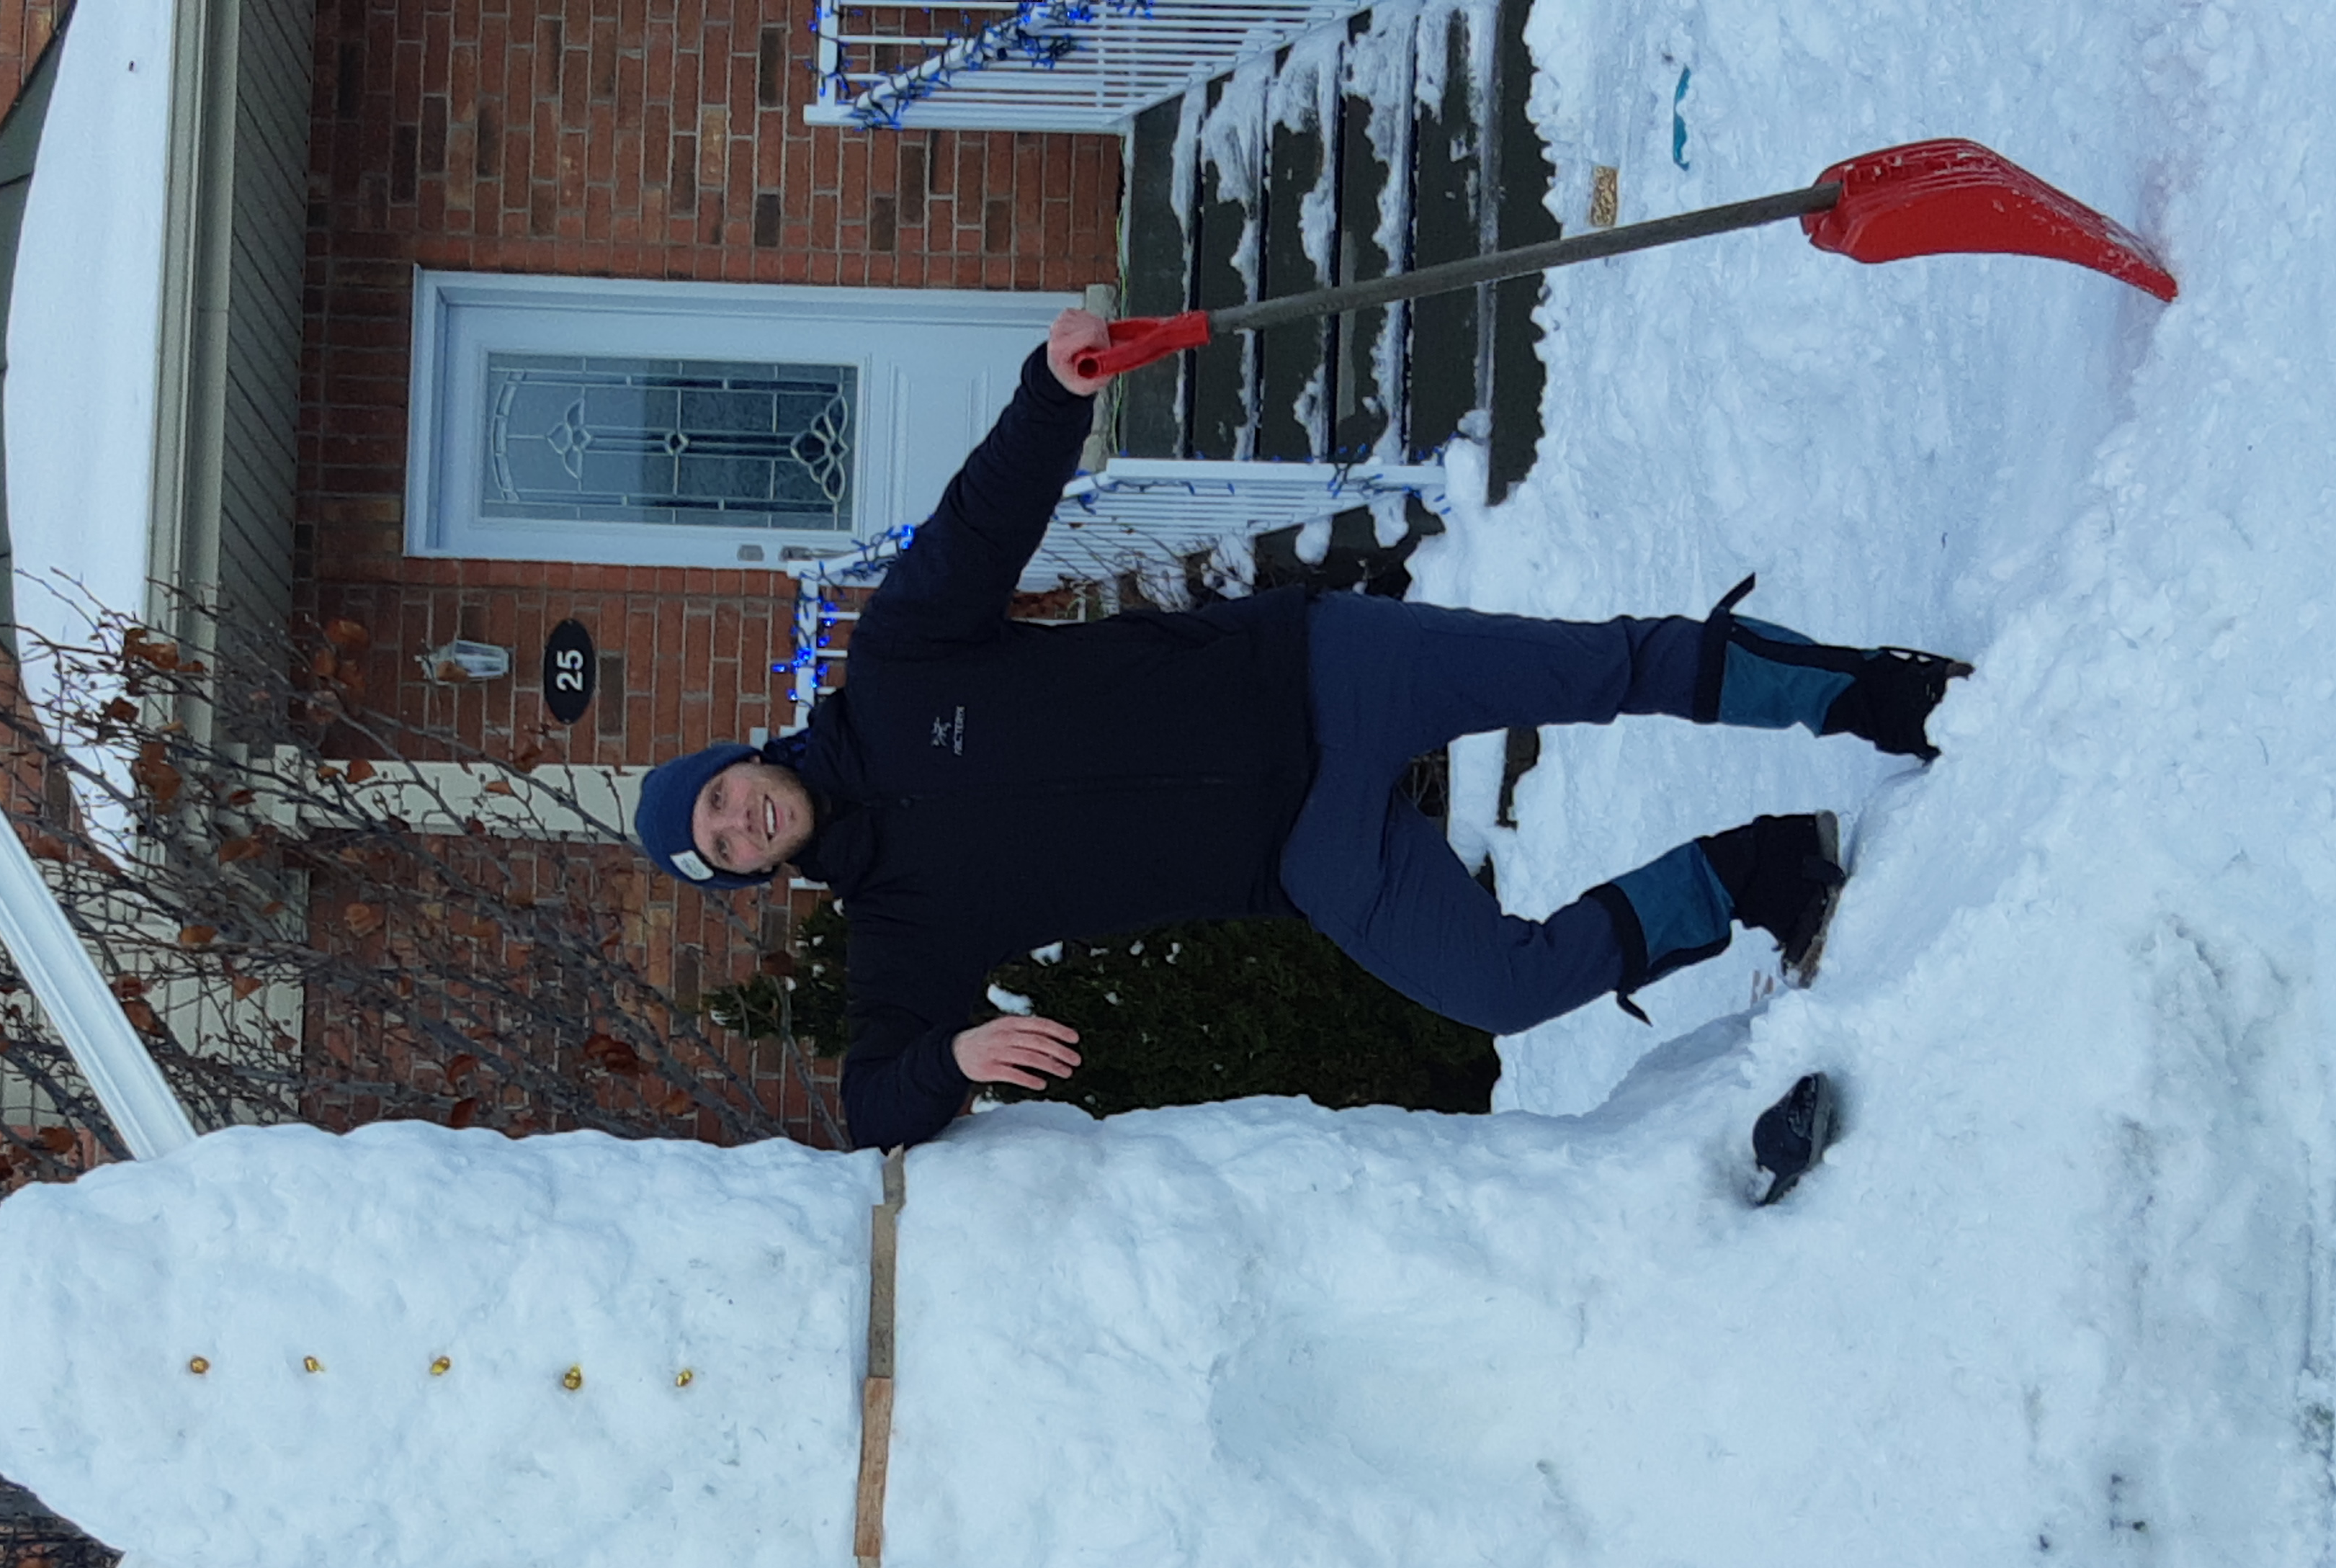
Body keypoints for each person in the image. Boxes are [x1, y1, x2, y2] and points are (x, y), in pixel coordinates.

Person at [635, 307, 1969, 1150]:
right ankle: (1758, 872)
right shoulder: (899, 929)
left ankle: (1865, 692)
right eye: (725, 849)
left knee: (1601, 668)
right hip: (1297, 848)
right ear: (752, 875)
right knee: (1498, 988)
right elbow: (876, 1103)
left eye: (719, 801)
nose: (741, 824)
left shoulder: (899, 668)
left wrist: (1053, 390)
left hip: (1314, 670)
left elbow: (984, 521)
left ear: (740, 760)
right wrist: (952, 1054)